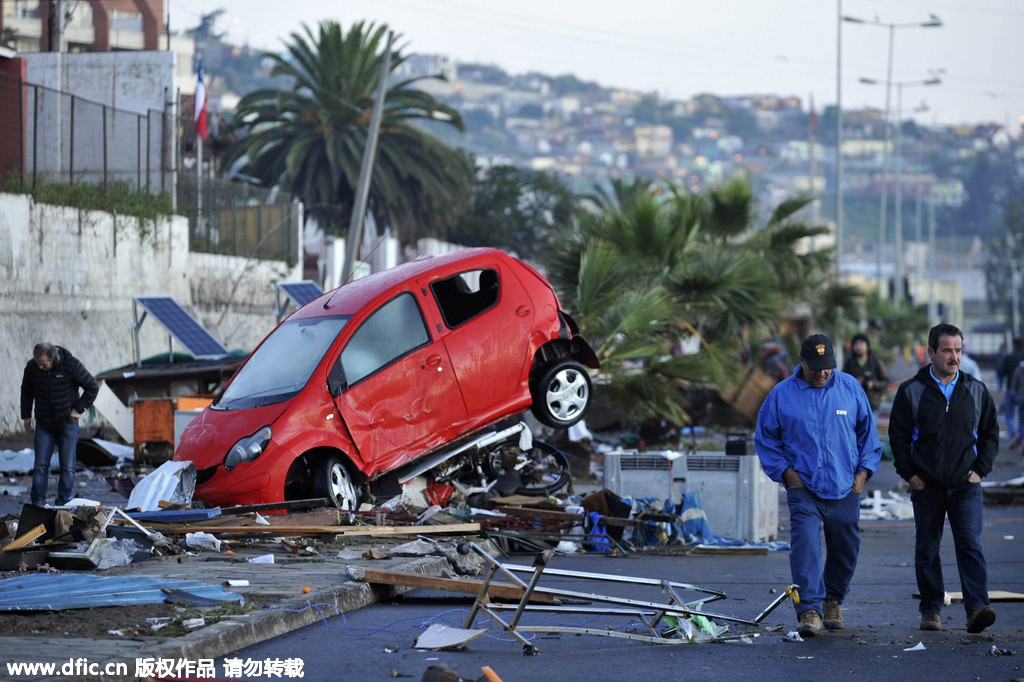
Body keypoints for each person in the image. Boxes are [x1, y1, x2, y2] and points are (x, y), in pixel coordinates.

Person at [755, 333, 882, 637]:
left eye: (827, 367)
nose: (822, 373)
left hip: (845, 487)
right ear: (801, 362)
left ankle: (833, 600)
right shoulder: (781, 395)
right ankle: (809, 609)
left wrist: (862, 474)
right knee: (806, 548)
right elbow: (766, 438)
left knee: (846, 548)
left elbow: (869, 435)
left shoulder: (850, 387)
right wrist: (786, 473)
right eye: (816, 368)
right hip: (804, 489)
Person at [888, 324, 999, 633]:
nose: (954, 357)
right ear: (931, 352)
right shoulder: (911, 391)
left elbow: (990, 433)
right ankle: (931, 609)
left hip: (965, 486)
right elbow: (897, 438)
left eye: (959, 350)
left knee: (970, 546)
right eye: (948, 350)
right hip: (927, 486)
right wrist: (910, 475)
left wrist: (979, 472)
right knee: (927, 548)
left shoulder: (976, 390)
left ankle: (977, 608)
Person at [20, 343, 99, 507]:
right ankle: (38, 504)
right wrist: (26, 416)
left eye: (44, 364)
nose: (40, 367)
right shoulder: (32, 368)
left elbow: (92, 386)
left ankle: (63, 503)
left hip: (67, 424)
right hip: (44, 424)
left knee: (68, 467)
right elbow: (26, 391)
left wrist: (78, 409)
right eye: (38, 363)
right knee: (40, 466)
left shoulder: (70, 365)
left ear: (53, 359)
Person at [842, 332, 890, 413]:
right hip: (853, 403)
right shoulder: (849, 362)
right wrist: (854, 383)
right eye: (856, 344)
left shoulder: (875, 362)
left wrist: (873, 384)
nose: (858, 346)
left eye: (861, 343)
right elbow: (842, 381)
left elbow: (885, 381)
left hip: (872, 405)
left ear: (867, 346)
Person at [997, 338, 1024, 446]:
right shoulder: (1020, 359)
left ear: (1014, 345)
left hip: (1011, 389)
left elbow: (1001, 371)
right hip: (1022, 391)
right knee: (1022, 418)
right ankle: (1021, 439)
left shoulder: (1009, 357)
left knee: (1009, 415)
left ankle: (1014, 434)